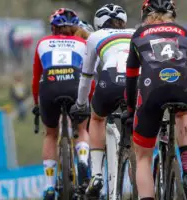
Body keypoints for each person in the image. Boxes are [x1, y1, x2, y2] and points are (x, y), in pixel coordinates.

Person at [125, 1, 187, 200]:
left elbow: (131, 78)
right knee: (183, 113)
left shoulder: (138, 35)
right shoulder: (185, 33)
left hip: (153, 87)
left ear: (145, 14)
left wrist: (130, 111)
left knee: (143, 156)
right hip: (185, 87)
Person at [70, 4, 134, 198]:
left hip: (111, 80)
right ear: (123, 22)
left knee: (97, 118)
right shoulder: (135, 33)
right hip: (135, 82)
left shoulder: (94, 37)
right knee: (140, 132)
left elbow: (86, 77)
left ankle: (97, 174)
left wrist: (81, 105)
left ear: (98, 24)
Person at [31, 8, 90, 199]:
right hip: (75, 86)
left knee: (50, 134)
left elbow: (35, 78)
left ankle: (49, 187)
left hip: (50, 87)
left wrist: (36, 103)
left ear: (53, 28)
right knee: (81, 130)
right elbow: (91, 76)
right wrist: (88, 100)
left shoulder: (42, 43)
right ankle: (83, 160)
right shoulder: (82, 42)